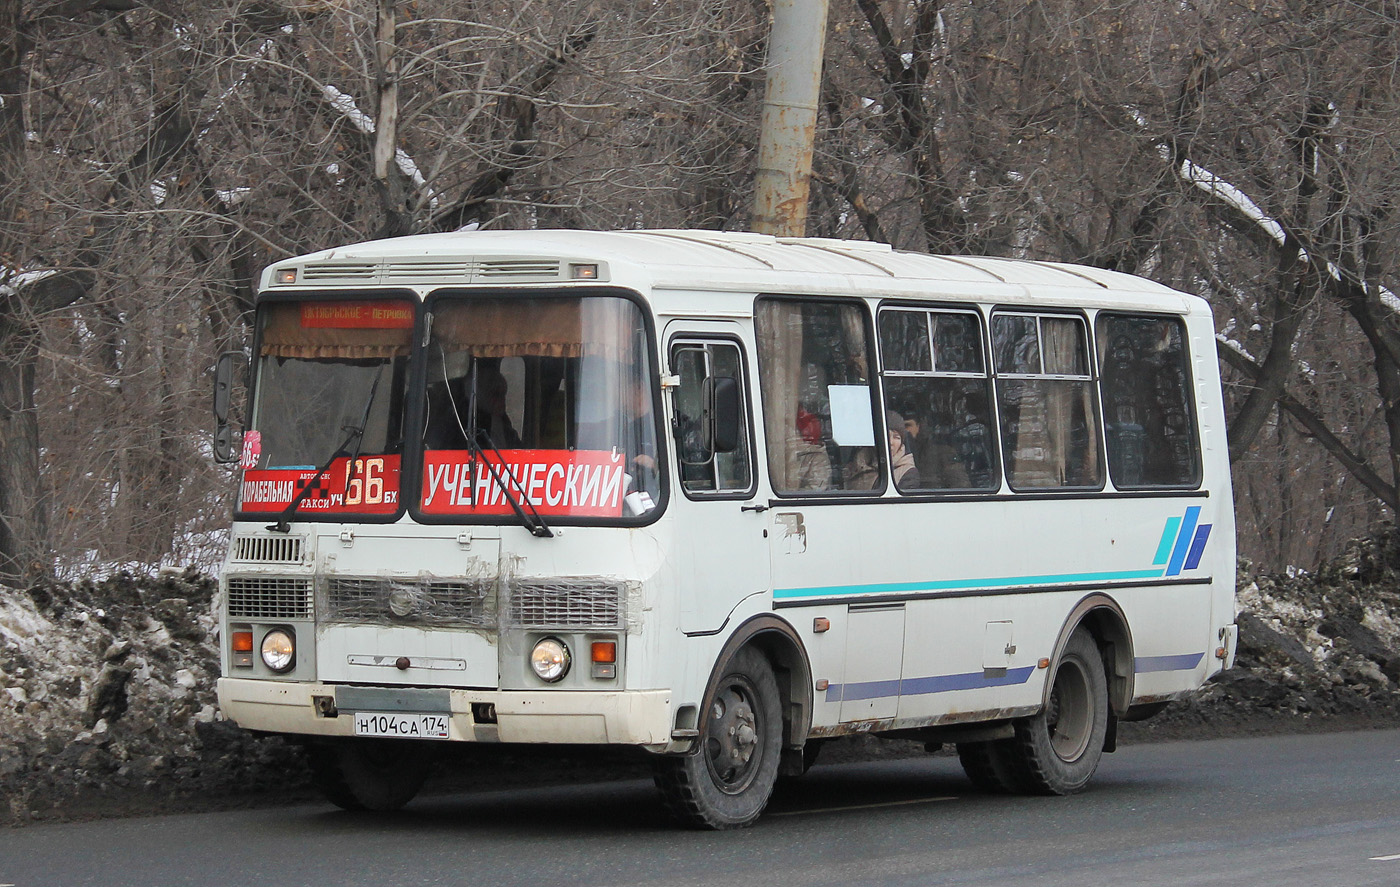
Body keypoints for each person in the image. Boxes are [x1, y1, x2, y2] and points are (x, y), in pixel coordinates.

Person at [904, 412, 969, 489]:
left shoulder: (942, 453)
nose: (904, 430)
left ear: (918, 426)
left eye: (907, 425)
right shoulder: (890, 456)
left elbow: (961, 487)